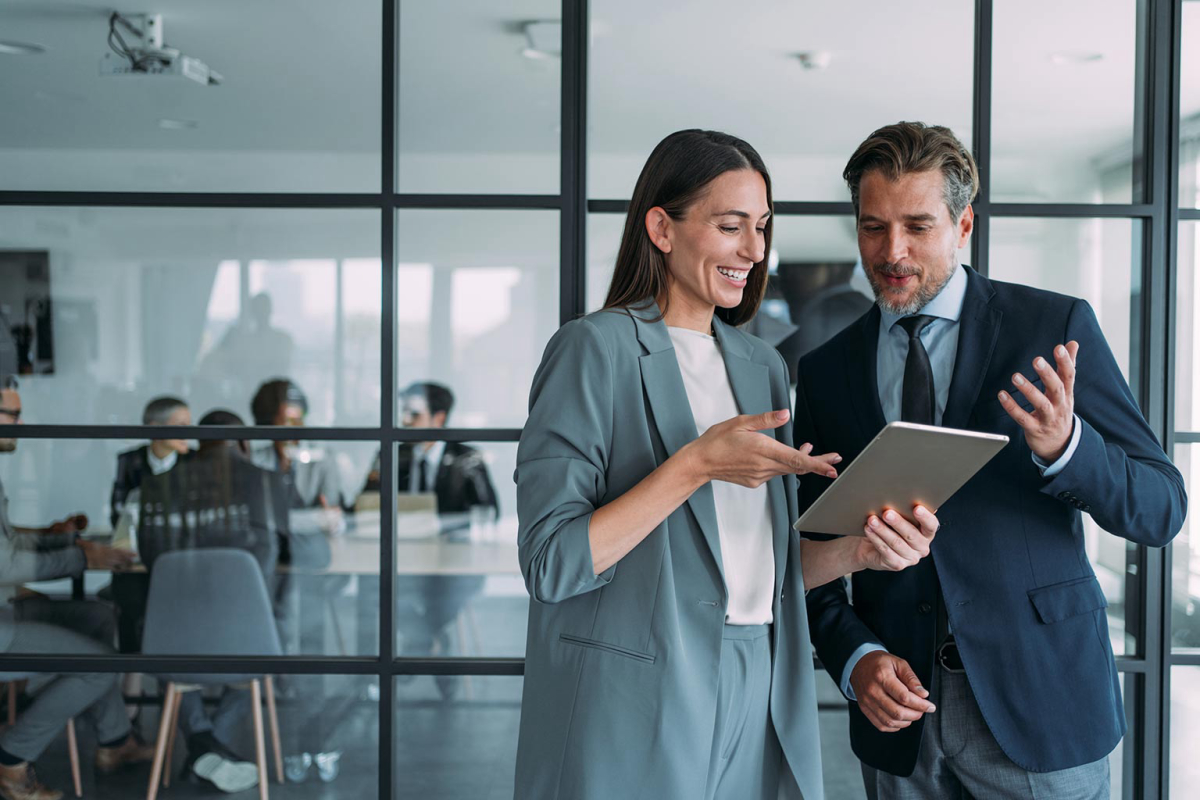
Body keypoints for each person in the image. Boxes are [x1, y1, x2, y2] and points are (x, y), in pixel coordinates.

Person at [513, 129, 942, 800]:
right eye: (731, 226)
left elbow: (759, 571)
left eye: (762, 228)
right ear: (661, 227)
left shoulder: (762, 366)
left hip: (762, 680)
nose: (753, 250)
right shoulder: (590, 351)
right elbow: (551, 563)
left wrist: (859, 551)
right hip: (636, 695)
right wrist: (695, 465)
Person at [797, 122, 1188, 799]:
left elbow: (1161, 507)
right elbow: (810, 553)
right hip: (900, 725)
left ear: (964, 222)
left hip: (1043, 706)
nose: (893, 251)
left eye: (918, 226)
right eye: (873, 227)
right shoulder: (826, 372)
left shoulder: (1052, 328)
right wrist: (854, 658)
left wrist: (1068, 450)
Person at [0, 375, 154, 800]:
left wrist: (61, 537)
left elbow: (7, 541)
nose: (21, 423)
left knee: (98, 616)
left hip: (7, 609)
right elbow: (5, 563)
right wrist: (84, 558)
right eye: (12, 414)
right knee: (99, 663)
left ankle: (113, 741)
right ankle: (12, 757)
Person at [135, 409, 281, 794]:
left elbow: (151, 559)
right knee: (269, 646)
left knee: (161, 642)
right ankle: (209, 746)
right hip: (248, 635)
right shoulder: (265, 482)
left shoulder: (158, 485)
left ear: (198, 442)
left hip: (174, 633)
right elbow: (298, 555)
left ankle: (202, 744)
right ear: (244, 444)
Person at [365, 382, 499, 698]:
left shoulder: (467, 458)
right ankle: (432, 644)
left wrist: (437, 523)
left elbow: (488, 512)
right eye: (404, 413)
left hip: (453, 563)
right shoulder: (391, 453)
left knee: (441, 591)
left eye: (415, 414)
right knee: (376, 588)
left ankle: (417, 647)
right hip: (404, 559)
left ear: (439, 418)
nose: (406, 421)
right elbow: (364, 504)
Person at [110, 396, 192, 527]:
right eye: (181, 425)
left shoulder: (194, 460)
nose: (189, 433)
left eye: (189, 426)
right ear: (155, 428)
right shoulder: (130, 461)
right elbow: (118, 513)